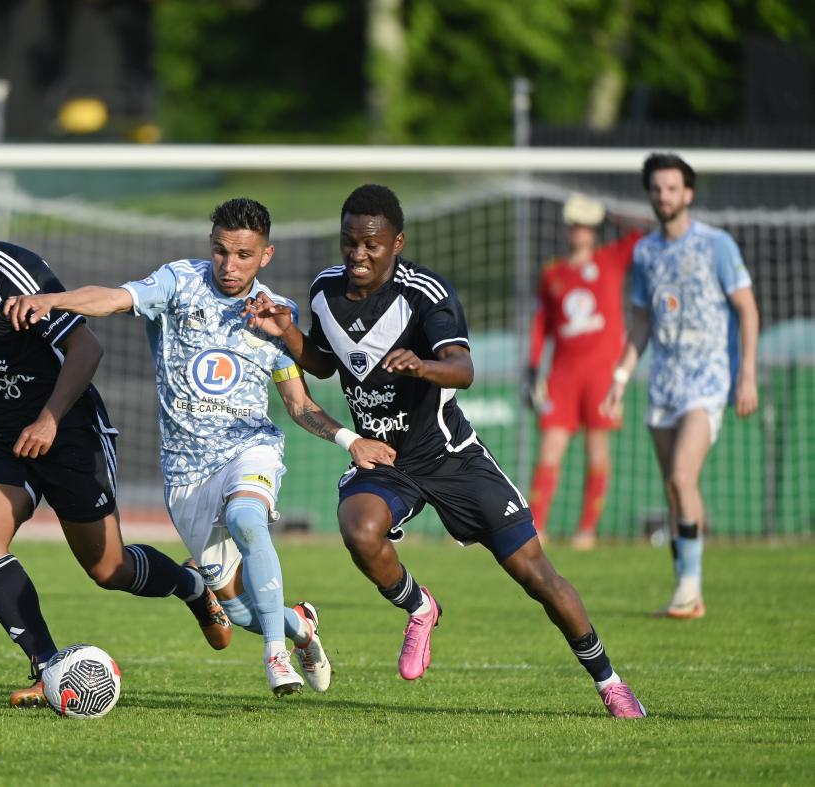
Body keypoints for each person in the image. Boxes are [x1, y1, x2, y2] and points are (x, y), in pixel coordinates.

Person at [244, 184, 646, 717]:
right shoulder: (324, 292)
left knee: (538, 577)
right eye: (349, 243)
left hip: (450, 455)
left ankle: (609, 681)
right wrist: (289, 333)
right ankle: (420, 607)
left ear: (397, 242)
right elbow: (326, 362)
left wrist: (421, 366)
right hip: (386, 460)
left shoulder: (426, 293)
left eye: (372, 245)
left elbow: (463, 369)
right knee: (359, 528)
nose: (358, 255)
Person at [4, 197, 396, 696]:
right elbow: (113, 298)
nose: (229, 266)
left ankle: (276, 656)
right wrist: (52, 301)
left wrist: (349, 439)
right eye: (220, 252)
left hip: (248, 449)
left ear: (266, 256)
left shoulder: (277, 315)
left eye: (243, 256)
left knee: (247, 520)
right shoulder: (178, 282)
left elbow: (299, 405)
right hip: (187, 473)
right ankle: (299, 628)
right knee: (234, 608)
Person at [0, 179, 231, 709]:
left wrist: (49, 419)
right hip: (1, 432)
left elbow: (86, 349)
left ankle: (191, 587)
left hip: (69, 427)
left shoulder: (16, 270)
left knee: (110, 570)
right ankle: (47, 666)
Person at [602, 153, 759, 619]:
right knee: (673, 491)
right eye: (657, 188)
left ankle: (689, 590)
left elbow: (747, 308)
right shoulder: (646, 252)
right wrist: (620, 378)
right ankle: (686, 591)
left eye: (672, 188)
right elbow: (642, 323)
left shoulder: (717, 245)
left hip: (708, 381)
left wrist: (746, 370)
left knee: (682, 477)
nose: (664, 196)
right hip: (664, 386)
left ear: (688, 194)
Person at [524, 194, 642, 550]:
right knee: (550, 450)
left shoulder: (611, 259)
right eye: (575, 224)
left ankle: (587, 530)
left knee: (597, 452)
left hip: (602, 375)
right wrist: (532, 366)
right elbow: (541, 323)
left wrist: (611, 213)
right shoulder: (553, 272)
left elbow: (641, 234)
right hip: (562, 375)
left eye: (587, 224)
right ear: (566, 228)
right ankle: (536, 528)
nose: (580, 231)